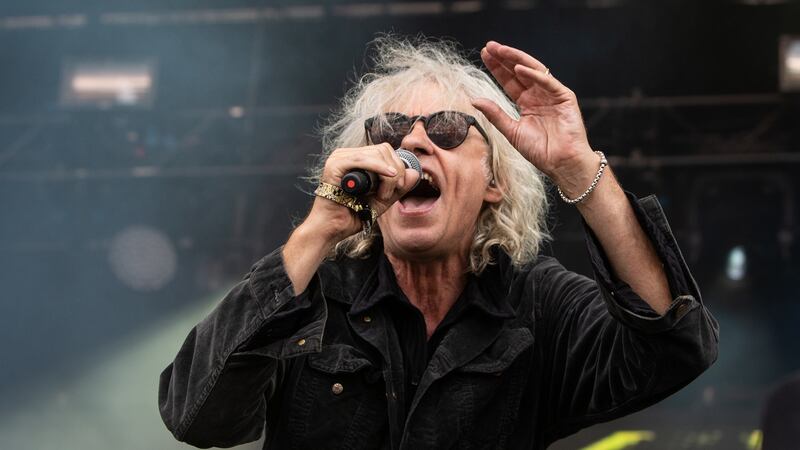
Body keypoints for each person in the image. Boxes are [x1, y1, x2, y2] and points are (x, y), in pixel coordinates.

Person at [158, 36, 718, 449]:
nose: (416, 140)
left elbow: (674, 345)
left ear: (494, 181)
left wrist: (575, 169)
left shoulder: (536, 305)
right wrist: (317, 230)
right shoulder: (315, 298)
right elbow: (197, 417)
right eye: (391, 128)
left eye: (447, 128)